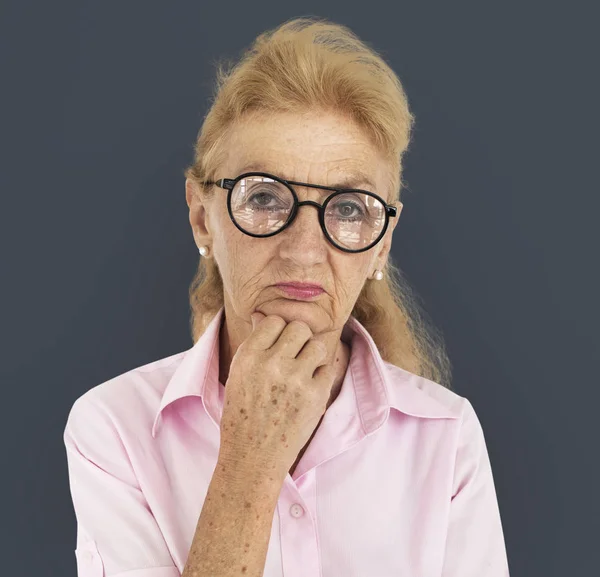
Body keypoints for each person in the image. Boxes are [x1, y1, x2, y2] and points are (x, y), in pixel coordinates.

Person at [63, 17, 510, 577]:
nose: (303, 252)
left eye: (348, 208)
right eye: (265, 199)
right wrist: (250, 460)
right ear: (203, 218)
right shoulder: (113, 429)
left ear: (380, 246)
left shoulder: (447, 439)